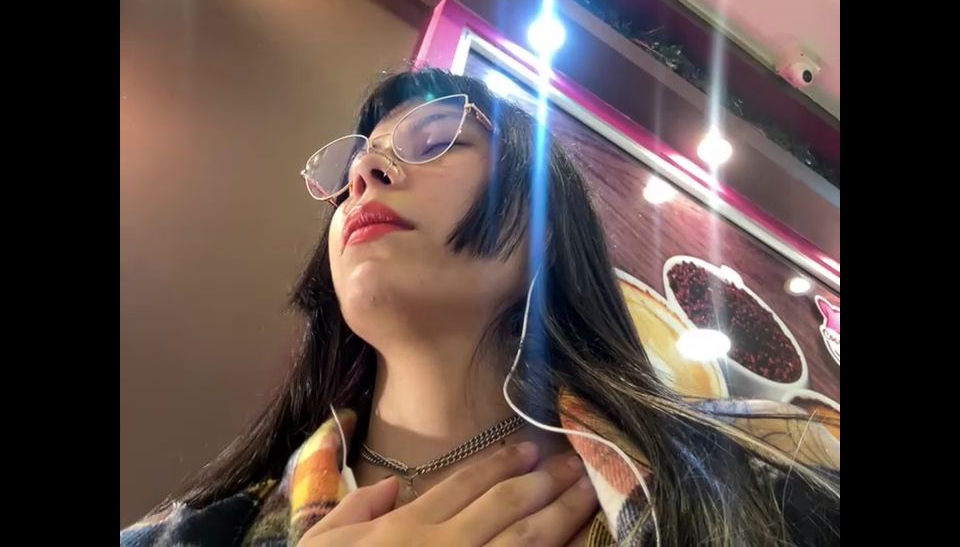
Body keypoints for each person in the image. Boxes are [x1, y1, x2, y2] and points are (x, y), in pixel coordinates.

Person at [121, 68, 839, 546]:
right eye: (351, 168)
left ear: (546, 224)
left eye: (437, 140)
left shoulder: (776, 483)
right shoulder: (180, 537)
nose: (365, 172)